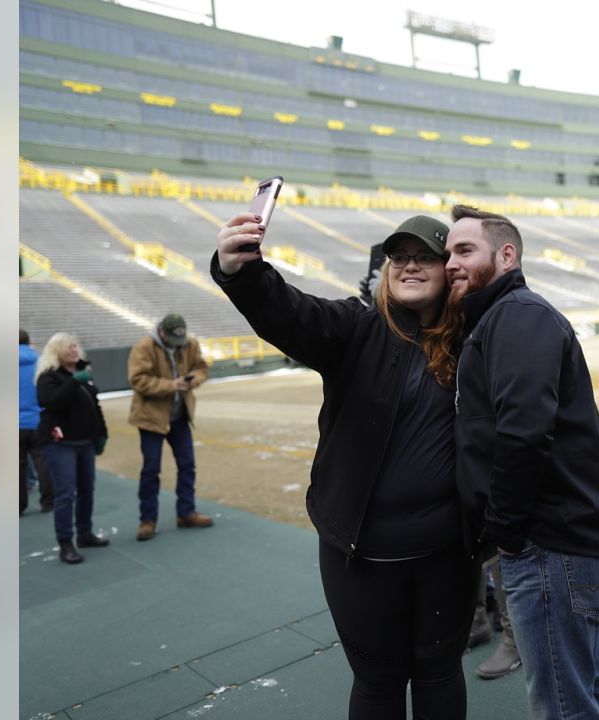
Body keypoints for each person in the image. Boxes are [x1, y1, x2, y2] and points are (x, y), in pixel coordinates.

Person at [213, 211, 476, 720]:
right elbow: (288, 313)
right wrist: (242, 271)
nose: (410, 266)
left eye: (425, 257)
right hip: (361, 556)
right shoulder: (356, 328)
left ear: (448, 271)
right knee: (377, 683)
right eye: (399, 257)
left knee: (440, 672)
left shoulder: (474, 339)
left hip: (448, 554)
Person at [446, 204, 599, 720]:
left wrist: (502, 530)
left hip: (550, 544)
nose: (451, 263)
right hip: (562, 539)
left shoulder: (518, 315)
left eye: (464, 250)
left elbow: (522, 435)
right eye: (448, 253)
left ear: (506, 255)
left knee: (563, 704)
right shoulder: (501, 317)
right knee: (589, 679)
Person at [128, 313, 212, 541]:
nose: (179, 345)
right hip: (150, 417)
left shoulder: (190, 343)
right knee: (151, 469)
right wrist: (171, 385)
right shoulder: (144, 347)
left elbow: (202, 368)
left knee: (187, 465)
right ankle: (148, 520)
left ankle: (186, 513)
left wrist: (192, 380)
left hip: (180, 416)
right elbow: (138, 380)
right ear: (162, 333)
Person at [35, 333, 110, 565]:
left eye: (76, 346)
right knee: (66, 494)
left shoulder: (83, 374)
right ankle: (65, 543)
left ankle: (85, 533)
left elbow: (94, 405)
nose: (74, 350)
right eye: (69, 347)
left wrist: (102, 433)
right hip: (61, 444)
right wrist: (75, 380)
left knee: (87, 490)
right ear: (56, 351)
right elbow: (51, 402)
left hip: (85, 442)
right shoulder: (48, 377)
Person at [19, 329, 53, 515]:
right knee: (43, 463)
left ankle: (19, 505)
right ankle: (48, 502)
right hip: (37, 421)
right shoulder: (40, 363)